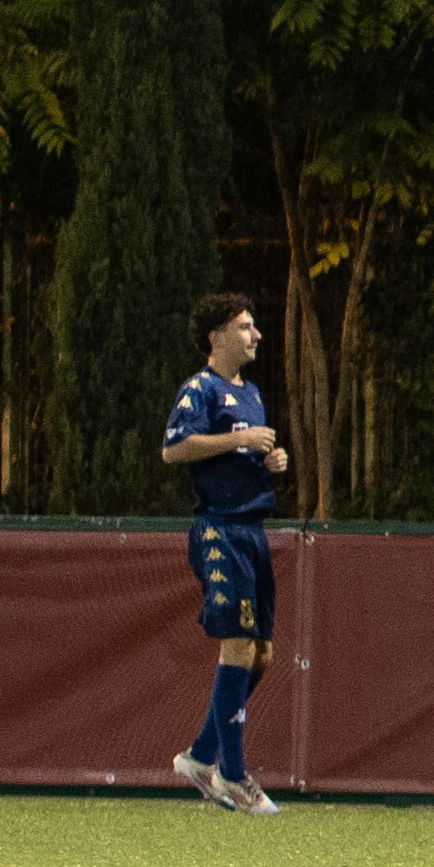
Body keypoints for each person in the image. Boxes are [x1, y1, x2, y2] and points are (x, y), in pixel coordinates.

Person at [158, 296, 290, 814]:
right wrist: (239, 438)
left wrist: (269, 459)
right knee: (236, 645)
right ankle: (233, 776)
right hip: (220, 530)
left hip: (252, 530)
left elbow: (243, 450)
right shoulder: (200, 389)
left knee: (261, 656)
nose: (255, 335)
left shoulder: (252, 394)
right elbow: (173, 448)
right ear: (216, 337)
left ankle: (200, 756)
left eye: (255, 326)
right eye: (244, 326)